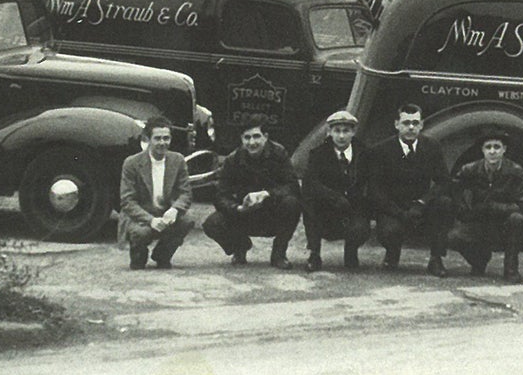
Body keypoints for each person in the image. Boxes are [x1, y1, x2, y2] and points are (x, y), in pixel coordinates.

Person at [363, 104, 452, 274]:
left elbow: (444, 181)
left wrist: (423, 202)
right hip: (394, 208)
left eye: (415, 123)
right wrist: (397, 212)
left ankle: (436, 259)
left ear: (421, 125)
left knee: (444, 203)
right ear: (397, 124)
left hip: (421, 207)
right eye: (406, 123)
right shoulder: (381, 150)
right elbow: (375, 189)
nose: (411, 127)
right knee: (389, 231)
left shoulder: (432, 146)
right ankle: (392, 254)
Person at [200, 116, 301, 266]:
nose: (252, 142)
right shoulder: (232, 160)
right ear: (241, 138)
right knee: (212, 223)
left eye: (256, 136)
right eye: (247, 137)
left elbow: (293, 186)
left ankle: (279, 254)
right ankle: (239, 247)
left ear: (265, 137)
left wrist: (267, 194)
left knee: (292, 203)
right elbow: (220, 195)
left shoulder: (279, 154)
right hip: (244, 215)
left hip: (271, 213)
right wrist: (238, 208)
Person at [448, 135, 523, 282]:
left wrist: (491, 206)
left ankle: (510, 268)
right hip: (479, 222)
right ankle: (479, 259)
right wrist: (464, 210)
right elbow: (453, 191)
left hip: (504, 225)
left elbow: (521, 206)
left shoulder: (516, 172)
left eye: (497, 147)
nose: (492, 151)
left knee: (517, 220)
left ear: (504, 150)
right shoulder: (469, 170)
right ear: (482, 150)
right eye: (488, 147)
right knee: (454, 237)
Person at [300, 109, 372, 271]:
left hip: (353, 207)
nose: (341, 136)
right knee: (309, 206)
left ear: (353, 132)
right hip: (327, 208)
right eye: (337, 131)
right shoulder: (318, 154)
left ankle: (351, 252)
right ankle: (314, 254)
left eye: (346, 131)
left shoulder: (364, 154)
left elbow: (370, 181)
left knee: (360, 228)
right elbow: (311, 183)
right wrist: (334, 197)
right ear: (329, 132)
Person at [118, 117, 194, 269]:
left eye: (166, 138)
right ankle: (138, 255)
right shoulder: (132, 163)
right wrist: (151, 220)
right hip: (141, 216)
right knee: (140, 236)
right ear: (148, 140)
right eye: (157, 138)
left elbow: (186, 193)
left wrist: (174, 209)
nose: (162, 143)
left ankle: (162, 255)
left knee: (187, 220)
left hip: (166, 213)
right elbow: (127, 201)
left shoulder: (177, 160)